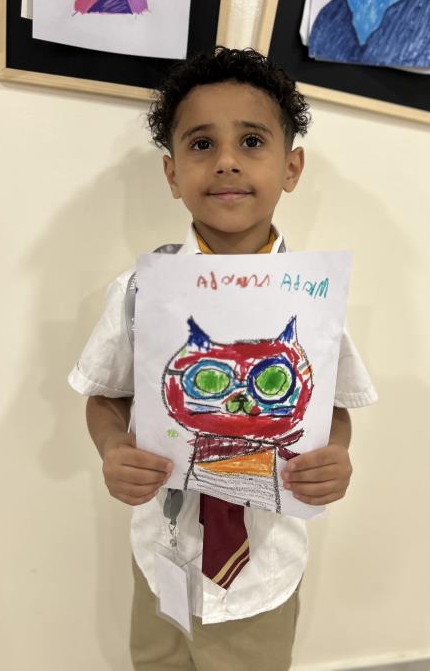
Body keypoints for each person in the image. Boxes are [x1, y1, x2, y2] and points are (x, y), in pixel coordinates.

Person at [68, 47, 377, 671]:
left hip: (261, 573)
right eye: (202, 144)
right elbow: (106, 394)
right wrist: (111, 448)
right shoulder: (139, 291)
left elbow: (334, 405)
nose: (227, 161)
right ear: (171, 172)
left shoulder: (313, 302)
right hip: (162, 554)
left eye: (252, 141)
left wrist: (336, 455)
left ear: (291, 167)